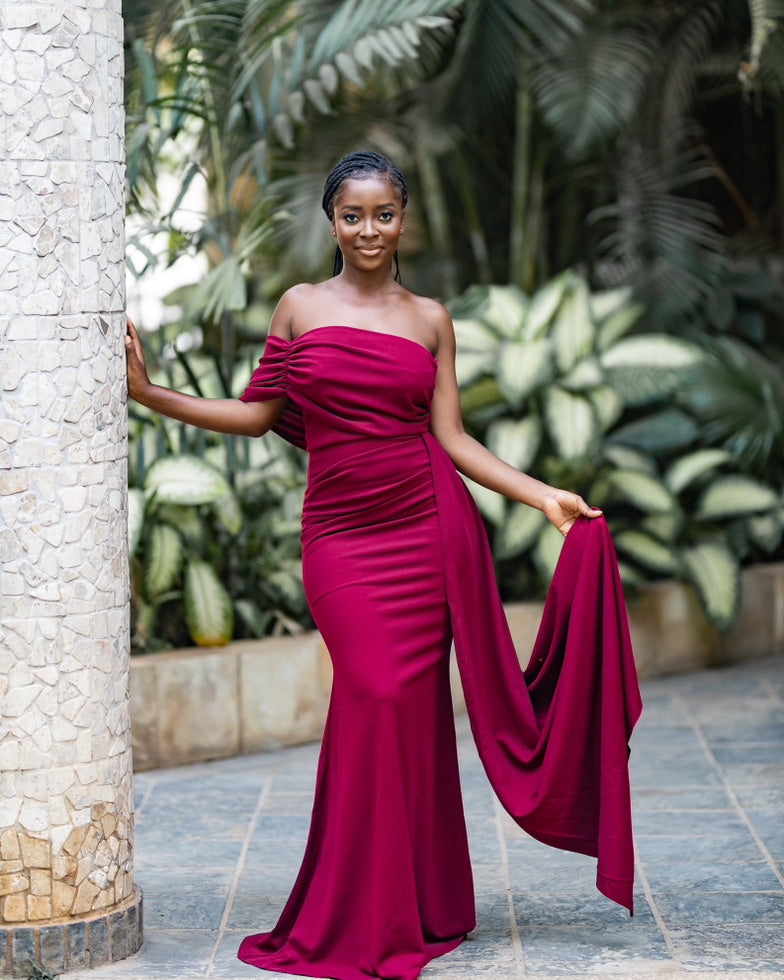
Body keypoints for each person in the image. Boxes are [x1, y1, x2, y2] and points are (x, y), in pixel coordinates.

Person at [126, 150, 642, 980]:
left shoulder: (431, 318)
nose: (369, 230)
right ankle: (362, 912)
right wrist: (152, 396)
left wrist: (543, 496)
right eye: (353, 215)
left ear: (405, 218)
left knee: (407, 710)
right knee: (373, 692)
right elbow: (259, 415)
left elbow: (454, 438)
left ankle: (423, 905)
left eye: (384, 214)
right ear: (332, 221)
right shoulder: (298, 307)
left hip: (425, 530)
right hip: (340, 538)